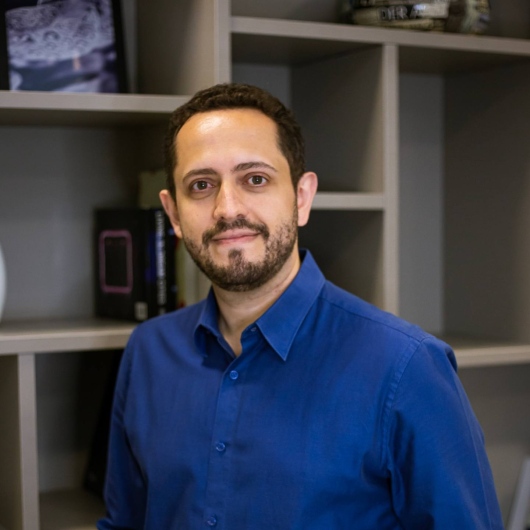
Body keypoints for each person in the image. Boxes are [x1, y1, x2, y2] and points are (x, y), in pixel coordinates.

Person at [97, 83, 504, 529]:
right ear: (174, 213)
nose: (227, 209)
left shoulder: (407, 367)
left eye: (255, 179)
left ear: (302, 197)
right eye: (201, 185)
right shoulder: (148, 351)